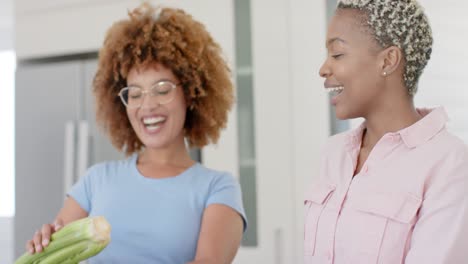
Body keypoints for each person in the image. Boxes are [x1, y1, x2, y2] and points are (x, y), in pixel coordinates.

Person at [25, 3, 247, 263]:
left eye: (162, 89)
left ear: (190, 93)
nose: (148, 105)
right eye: (135, 93)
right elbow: (55, 256)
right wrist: (44, 246)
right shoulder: (95, 181)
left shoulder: (218, 188)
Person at [304, 0, 468, 263]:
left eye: (337, 54)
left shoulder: (449, 163)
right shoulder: (333, 154)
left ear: (388, 60)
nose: (323, 69)